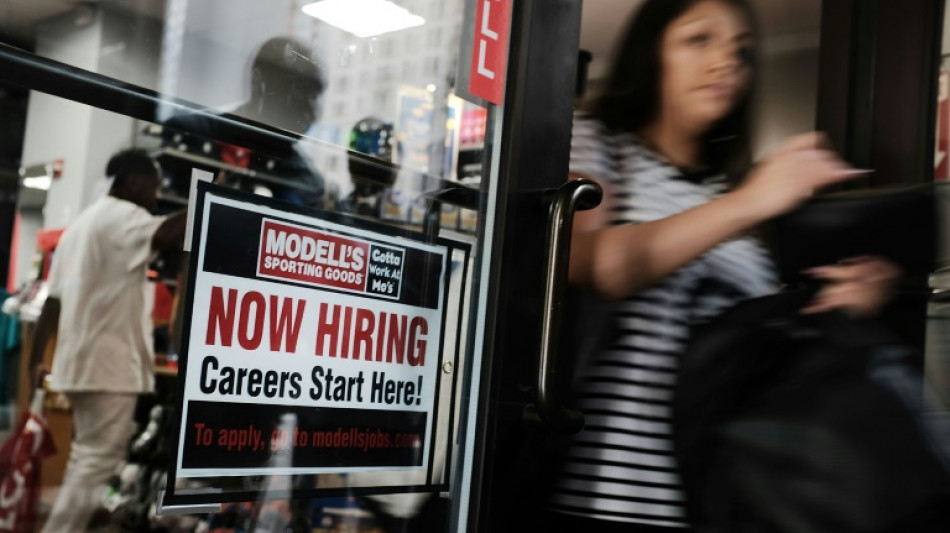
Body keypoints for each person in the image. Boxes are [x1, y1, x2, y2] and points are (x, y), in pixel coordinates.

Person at [544, 0, 898, 531]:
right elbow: (595, 265)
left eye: (742, 51)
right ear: (651, 52)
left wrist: (840, 305)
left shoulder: (729, 196)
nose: (725, 63)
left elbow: (739, 350)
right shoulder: (600, 142)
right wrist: (755, 200)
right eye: (699, 40)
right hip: (605, 502)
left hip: (720, 502)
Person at [32, 149, 187, 532]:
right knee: (98, 460)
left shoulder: (81, 226)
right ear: (132, 182)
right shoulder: (123, 216)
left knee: (86, 459)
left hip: (78, 364)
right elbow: (167, 232)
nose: (155, 196)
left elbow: (52, 301)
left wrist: (38, 358)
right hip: (108, 367)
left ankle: (76, 523)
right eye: (153, 186)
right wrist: (210, 203)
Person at [161, 36, 327, 208]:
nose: (312, 113)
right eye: (300, 93)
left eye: (314, 96)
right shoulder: (188, 135)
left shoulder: (306, 181)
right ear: (260, 83)